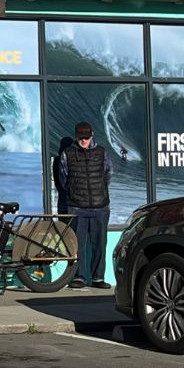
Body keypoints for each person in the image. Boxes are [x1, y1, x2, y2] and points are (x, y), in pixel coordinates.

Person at [58, 122, 112, 289]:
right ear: (76, 136)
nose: (84, 141)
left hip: (100, 206)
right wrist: (73, 193)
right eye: (81, 138)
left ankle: (98, 278)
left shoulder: (101, 152)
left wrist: (99, 192)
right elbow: (62, 178)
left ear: (92, 135)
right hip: (76, 207)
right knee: (78, 244)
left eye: (86, 138)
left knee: (100, 245)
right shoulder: (67, 154)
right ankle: (78, 277)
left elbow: (108, 175)